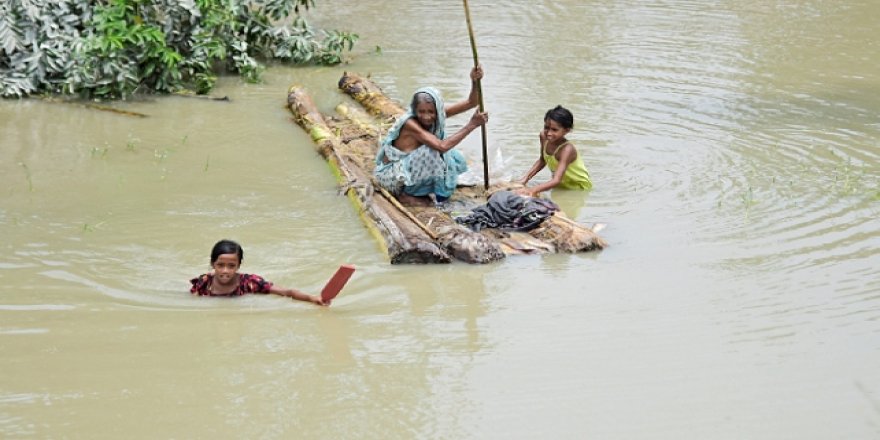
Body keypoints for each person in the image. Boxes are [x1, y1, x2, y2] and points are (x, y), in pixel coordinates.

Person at [374, 66, 490, 206]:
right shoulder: (410, 123)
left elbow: (472, 102)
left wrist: (475, 81)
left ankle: (429, 187)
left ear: (438, 110)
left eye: (431, 112)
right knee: (433, 151)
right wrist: (472, 124)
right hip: (391, 177)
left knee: (452, 155)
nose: (427, 117)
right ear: (414, 110)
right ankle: (407, 194)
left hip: (405, 169)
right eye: (421, 112)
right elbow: (441, 147)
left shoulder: (438, 114)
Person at [190, 239, 326, 306]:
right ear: (213, 264)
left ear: (238, 266)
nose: (225, 271)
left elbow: (287, 292)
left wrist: (311, 298)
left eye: (231, 266)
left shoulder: (250, 283)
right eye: (220, 265)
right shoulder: (204, 283)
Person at [516, 105, 592, 197]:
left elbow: (556, 180)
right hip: (560, 185)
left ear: (566, 131)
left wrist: (533, 190)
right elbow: (542, 160)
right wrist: (524, 179)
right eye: (546, 127)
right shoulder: (543, 136)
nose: (549, 133)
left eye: (554, 130)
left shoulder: (567, 150)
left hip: (578, 189)